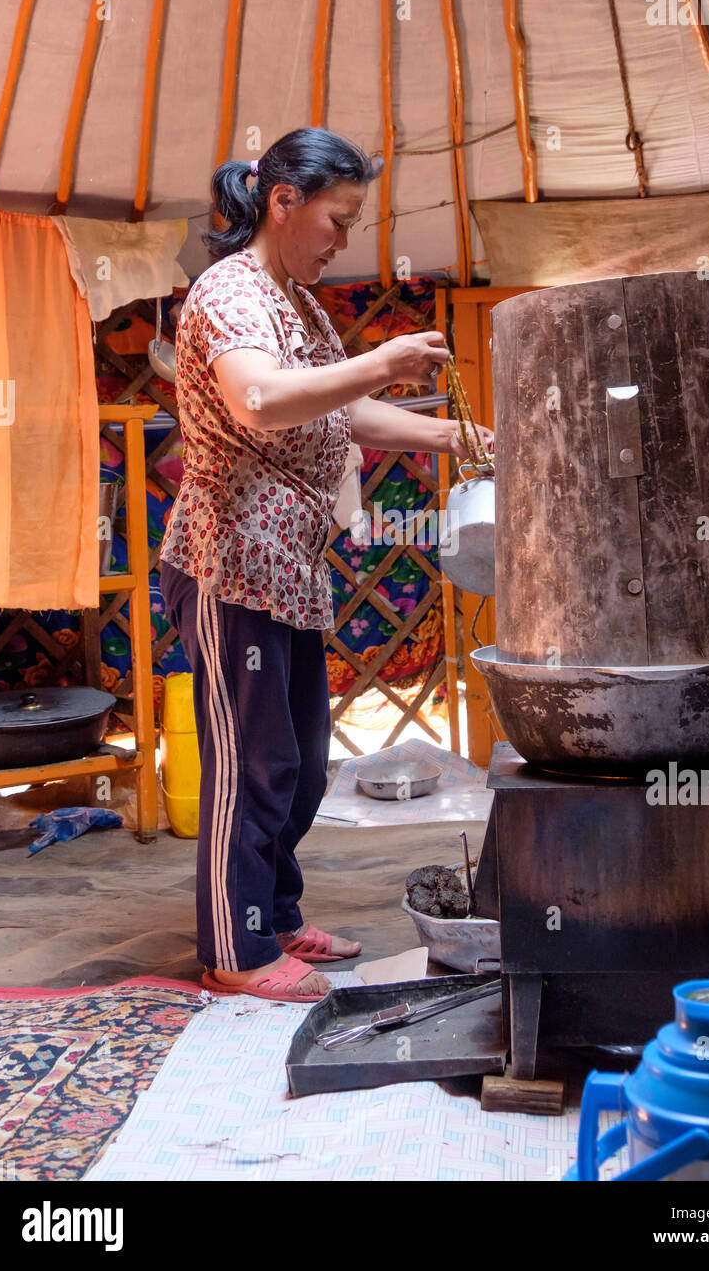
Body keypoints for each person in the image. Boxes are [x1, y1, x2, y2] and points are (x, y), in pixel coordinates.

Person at [160, 127, 494, 1002]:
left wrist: (453, 435)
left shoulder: (299, 304)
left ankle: (273, 912)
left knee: (304, 762)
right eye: (337, 220)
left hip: (290, 571)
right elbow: (264, 400)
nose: (344, 240)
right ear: (283, 203)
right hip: (229, 561)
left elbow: (343, 412)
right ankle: (236, 949)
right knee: (253, 761)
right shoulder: (229, 294)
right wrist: (383, 359)